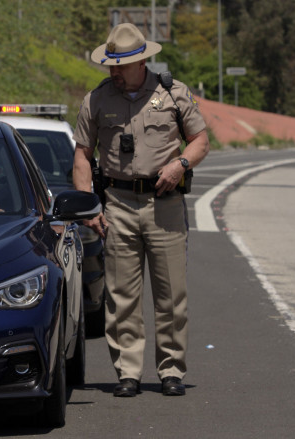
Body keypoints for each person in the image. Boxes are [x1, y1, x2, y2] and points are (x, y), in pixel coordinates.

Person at [72, 23, 210, 397]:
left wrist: (180, 164)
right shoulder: (97, 100)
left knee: (171, 294)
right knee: (121, 295)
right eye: (111, 65)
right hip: (117, 202)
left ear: (142, 61)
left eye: (121, 65)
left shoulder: (173, 93)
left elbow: (200, 141)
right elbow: (83, 155)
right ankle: (128, 373)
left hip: (164, 204)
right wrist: (89, 204)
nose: (114, 72)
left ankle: (170, 370)